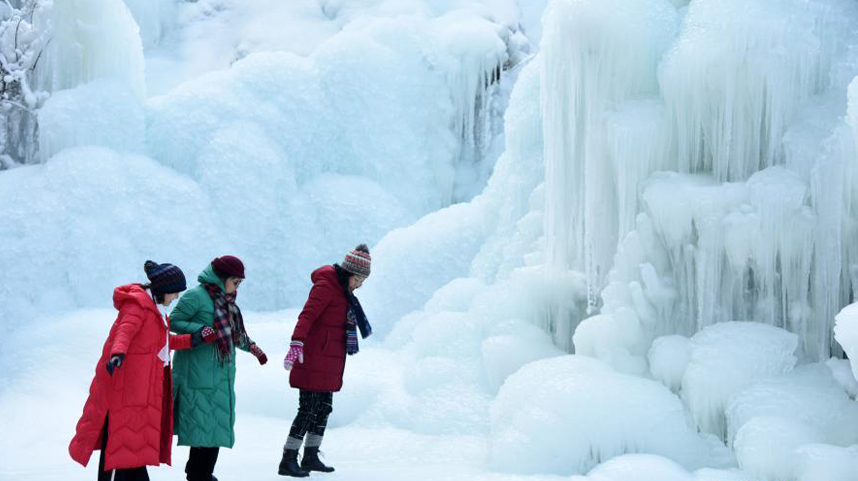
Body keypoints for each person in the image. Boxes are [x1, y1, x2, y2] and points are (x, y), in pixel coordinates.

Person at [70, 261, 216, 481]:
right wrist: (118, 353)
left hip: (142, 387)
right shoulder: (137, 306)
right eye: (175, 293)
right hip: (126, 387)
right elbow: (124, 331)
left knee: (122, 441)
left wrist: (193, 339)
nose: (176, 298)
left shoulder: (156, 310)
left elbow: (163, 342)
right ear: (163, 290)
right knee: (126, 442)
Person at [171, 255, 268, 481]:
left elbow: (233, 334)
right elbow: (173, 321)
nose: (238, 287)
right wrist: (201, 330)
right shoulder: (196, 296)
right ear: (220, 278)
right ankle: (198, 475)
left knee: (214, 429)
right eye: (236, 282)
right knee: (202, 430)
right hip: (197, 375)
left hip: (220, 375)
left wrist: (252, 347)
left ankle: (202, 474)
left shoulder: (227, 302)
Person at [279, 244, 373, 477]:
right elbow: (307, 315)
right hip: (313, 358)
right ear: (349, 273)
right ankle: (288, 459)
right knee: (308, 409)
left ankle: (311, 455)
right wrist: (296, 342)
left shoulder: (343, 291)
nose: (360, 285)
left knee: (324, 408)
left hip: (330, 360)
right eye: (359, 279)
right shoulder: (326, 285)